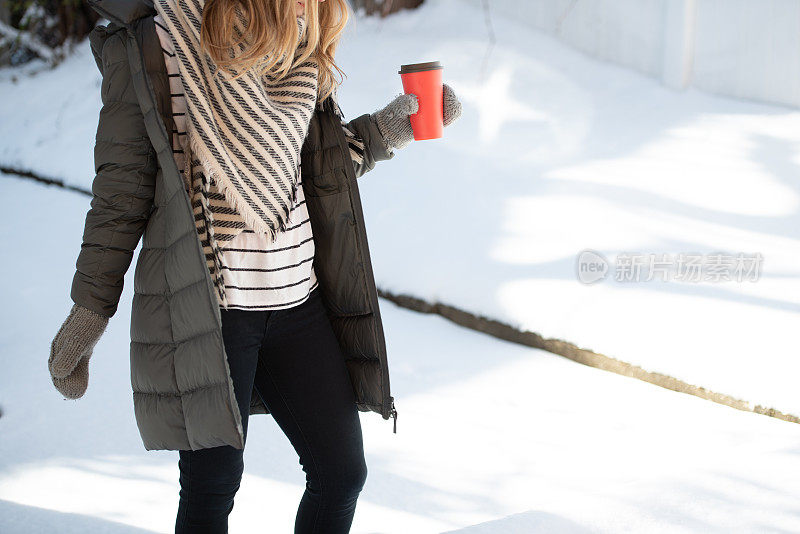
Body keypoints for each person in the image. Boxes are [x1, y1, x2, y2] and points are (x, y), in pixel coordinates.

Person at [48, 0, 461, 532]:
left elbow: (313, 169)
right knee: (212, 484)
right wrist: (90, 309)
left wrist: (387, 128)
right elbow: (121, 194)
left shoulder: (297, 43)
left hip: (299, 301)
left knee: (340, 473)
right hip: (212, 311)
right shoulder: (158, 44)